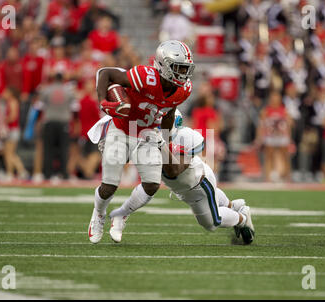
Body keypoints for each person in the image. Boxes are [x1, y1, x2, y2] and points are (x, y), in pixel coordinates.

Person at [88, 40, 195, 244]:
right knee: (109, 186)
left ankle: (121, 214)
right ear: (164, 65)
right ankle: (99, 213)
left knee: (152, 185)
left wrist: (166, 142)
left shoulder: (183, 89)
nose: (183, 73)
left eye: (186, 68)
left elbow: (169, 113)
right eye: (179, 68)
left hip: (147, 134)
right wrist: (103, 102)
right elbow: (106, 74)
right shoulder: (146, 76)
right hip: (121, 129)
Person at [108, 111, 255, 245]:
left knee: (212, 223)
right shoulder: (146, 138)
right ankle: (233, 206)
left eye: (160, 125)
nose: (157, 129)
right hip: (182, 187)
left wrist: (160, 145)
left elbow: (175, 171)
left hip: (200, 183)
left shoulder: (187, 137)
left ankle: (242, 218)